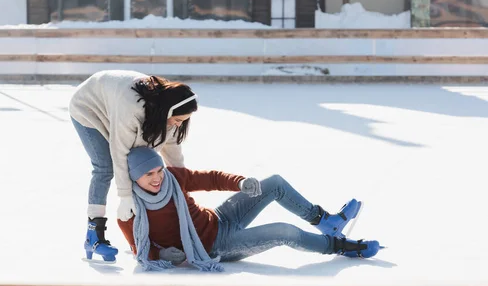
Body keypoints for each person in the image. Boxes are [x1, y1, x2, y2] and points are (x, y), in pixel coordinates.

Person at [118, 147, 381, 272]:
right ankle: (338, 245)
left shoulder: (173, 177)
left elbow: (209, 178)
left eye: (158, 170)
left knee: (275, 183)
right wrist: (163, 252)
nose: (157, 178)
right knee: (284, 231)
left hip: (219, 218)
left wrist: (240, 183)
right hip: (214, 246)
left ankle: (324, 220)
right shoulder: (129, 211)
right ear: (133, 178)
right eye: (148, 174)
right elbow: (140, 249)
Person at [69, 70, 198, 263]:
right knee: (105, 167)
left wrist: (182, 186)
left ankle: (142, 234)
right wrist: (125, 196)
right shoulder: (131, 110)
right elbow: (119, 152)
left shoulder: (166, 111)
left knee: (145, 168)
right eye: (178, 120)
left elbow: (173, 150)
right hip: (88, 107)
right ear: (168, 111)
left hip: (114, 104)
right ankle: (93, 236)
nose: (179, 125)